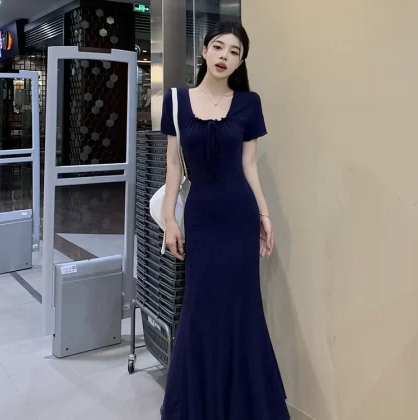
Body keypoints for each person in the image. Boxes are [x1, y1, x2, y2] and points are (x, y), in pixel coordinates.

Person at [160, 21, 290, 420]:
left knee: (242, 308)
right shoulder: (176, 101)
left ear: (240, 61)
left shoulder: (249, 103)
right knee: (200, 307)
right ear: (204, 51)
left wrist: (264, 213)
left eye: (234, 52)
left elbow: (249, 166)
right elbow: (173, 166)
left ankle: (246, 408)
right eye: (218, 47)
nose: (224, 56)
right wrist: (169, 220)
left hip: (239, 216)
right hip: (201, 216)